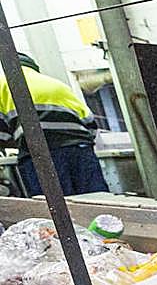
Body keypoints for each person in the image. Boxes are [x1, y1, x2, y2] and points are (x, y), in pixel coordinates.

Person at [0, 53, 109, 197]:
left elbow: (2, 135)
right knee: (95, 201)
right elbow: (91, 125)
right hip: (81, 152)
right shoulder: (58, 84)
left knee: (55, 209)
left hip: (42, 155)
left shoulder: (4, 84)